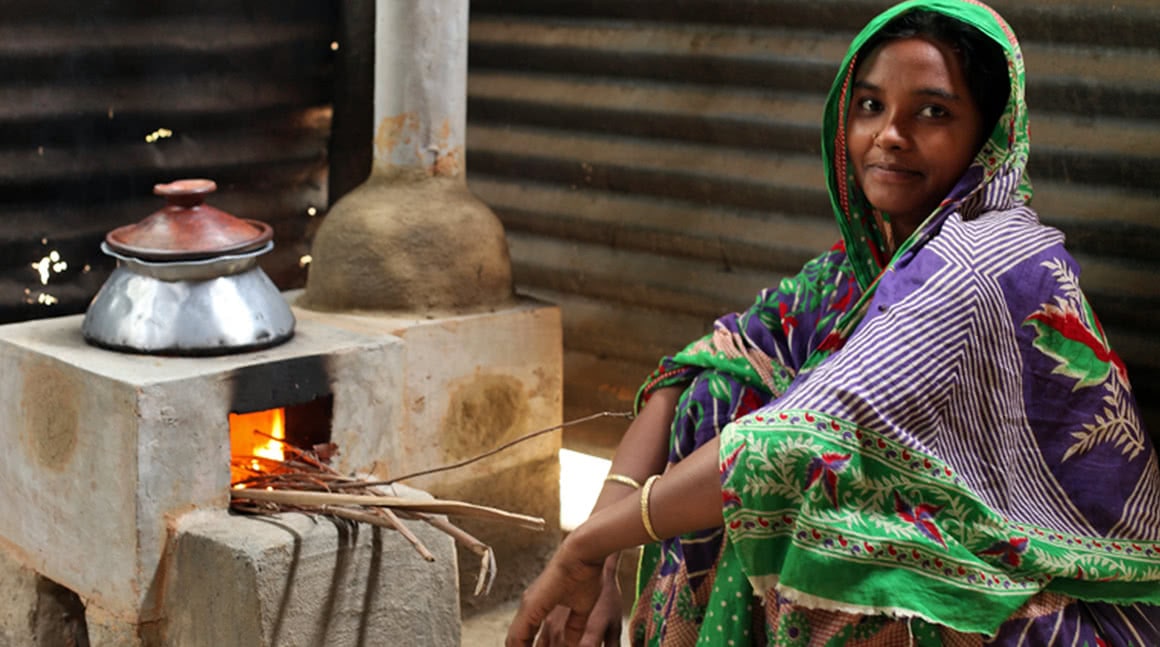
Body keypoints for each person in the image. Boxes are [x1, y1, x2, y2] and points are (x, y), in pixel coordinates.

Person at [507, 0, 1160, 645]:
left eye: (933, 112)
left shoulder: (980, 264)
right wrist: (602, 547)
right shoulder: (863, 268)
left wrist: (586, 547)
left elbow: (790, 441)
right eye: (871, 105)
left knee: (801, 517)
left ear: (989, 132)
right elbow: (699, 366)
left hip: (1060, 602)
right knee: (720, 398)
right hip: (975, 570)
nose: (890, 135)